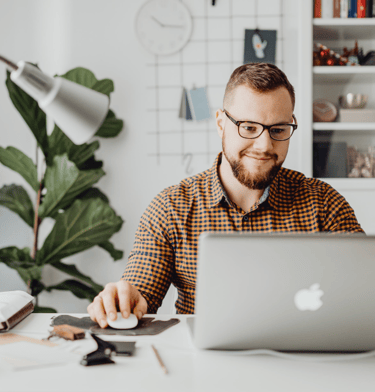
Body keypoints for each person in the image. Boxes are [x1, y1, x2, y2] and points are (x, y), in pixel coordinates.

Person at [88, 63, 363, 328]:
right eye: (249, 127)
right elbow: (140, 293)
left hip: (305, 363)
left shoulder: (324, 204)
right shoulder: (171, 207)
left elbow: (365, 288)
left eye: (278, 130)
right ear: (221, 123)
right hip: (203, 367)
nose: (264, 145)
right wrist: (124, 301)